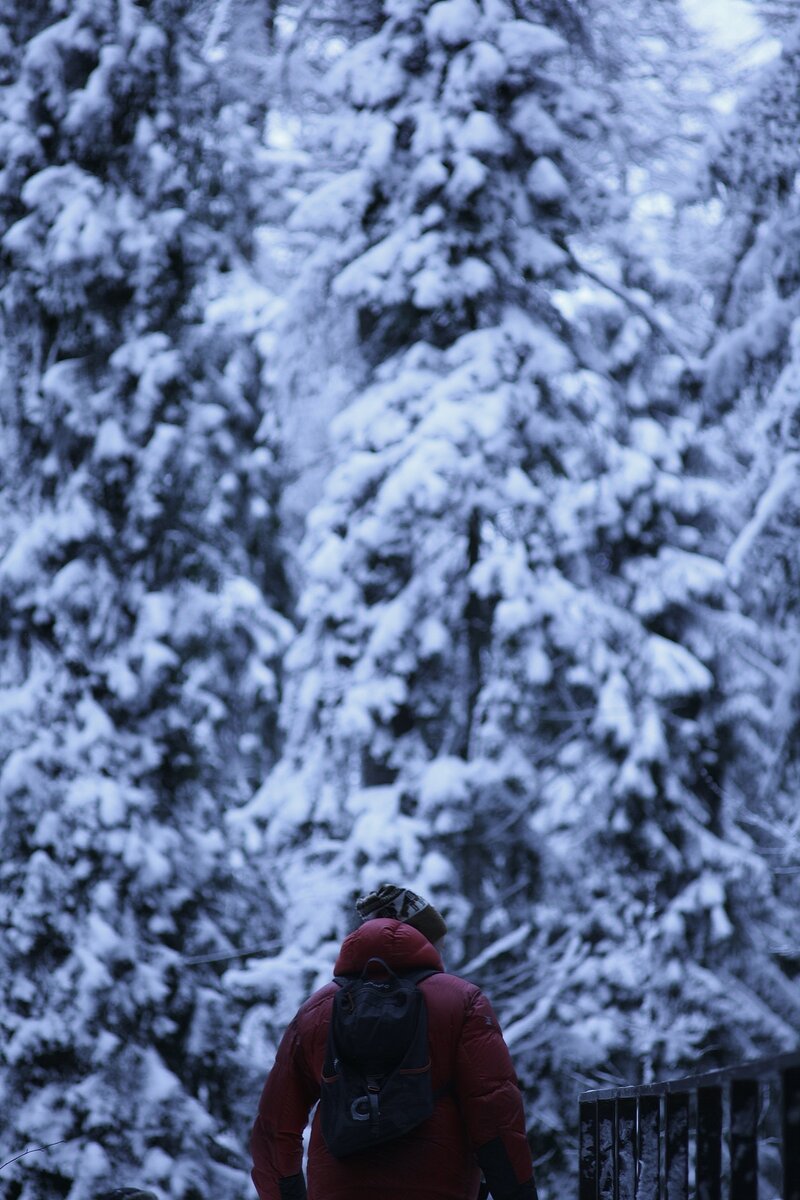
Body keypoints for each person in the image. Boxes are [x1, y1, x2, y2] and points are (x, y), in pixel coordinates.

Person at [250, 883, 538, 1200]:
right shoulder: (462, 1001)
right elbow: (495, 1113)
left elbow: (274, 1128)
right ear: (424, 942)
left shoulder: (316, 1011)